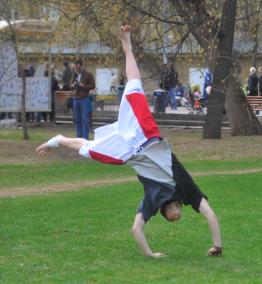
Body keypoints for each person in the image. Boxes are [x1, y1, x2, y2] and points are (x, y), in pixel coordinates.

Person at [36, 25, 222, 258]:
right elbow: (210, 214)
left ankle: (58, 140)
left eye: (171, 219)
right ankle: (127, 45)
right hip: (148, 137)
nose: (176, 218)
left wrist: (150, 255)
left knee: (89, 149)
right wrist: (218, 246)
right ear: (178, 207)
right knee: (134, 86)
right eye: (178, 216)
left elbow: (136, 229)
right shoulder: (186, 189)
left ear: (164, 213)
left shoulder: (152, 200)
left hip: (128, 152)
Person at [71, 60, 95, 139]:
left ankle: (85, 138)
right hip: (75, 99)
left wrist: (83, 85)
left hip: (84, 99)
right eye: (76, 67)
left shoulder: (88, 74)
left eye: (79, 67)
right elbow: (70, 85)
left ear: (81, 66)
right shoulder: (74, 75)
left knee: (85, 119)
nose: (77, 68)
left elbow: (92, 86)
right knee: (77, 119)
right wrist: (73, 85)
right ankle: (78, 137)